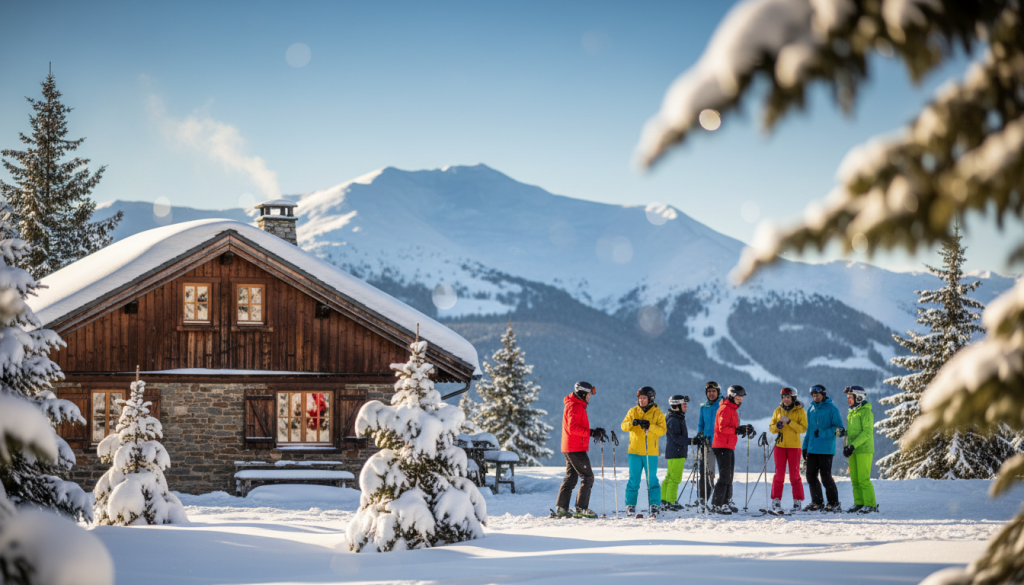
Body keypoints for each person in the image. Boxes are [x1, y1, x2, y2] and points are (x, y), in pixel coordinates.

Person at [555, 381, 607, 518]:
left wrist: (593, 431)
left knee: (571, 478)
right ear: (583, 394)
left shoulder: (575, 405)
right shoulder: (575, 406)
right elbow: (573, 428)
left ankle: (562, 508)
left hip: (570, 446)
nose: (590, 397)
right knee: (588, 477)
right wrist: (591, 433)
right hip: (575, 448)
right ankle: (581, 508)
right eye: (589, 394)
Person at [620, 386, 667, 516]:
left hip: (650, 452)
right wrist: (632, 423)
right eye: (640, 398)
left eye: (644, 398)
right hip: (634, 451)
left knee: (652, 480)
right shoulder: (633, 411)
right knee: (633, 479)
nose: (641, 400)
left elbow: (663, 430)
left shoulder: (657, 413)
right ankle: (630, 505)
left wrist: (650, 426)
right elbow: (623, 426)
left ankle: (654, 504)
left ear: (650, 399)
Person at [710, 385, 755, 514]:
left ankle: (725, 502)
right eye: (738, 397)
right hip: (721, 445)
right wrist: (737, 430)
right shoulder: (725, 409)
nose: (740, 399)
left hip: (728, 445)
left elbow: (731, 428)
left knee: (728, 477)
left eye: (741, 397)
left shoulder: (733, 409)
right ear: (731, 396)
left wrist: (743, 428)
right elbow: (722, 428)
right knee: (725, 476)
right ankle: (716, 505)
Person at [801, 384, 845, 512]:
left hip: (826, 449)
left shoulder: (832, 409)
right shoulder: (811, 409)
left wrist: (822, 433)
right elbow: (809, 431)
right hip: (812, 449)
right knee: (810, 476)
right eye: (813, 395)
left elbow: (839, 429)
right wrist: (805, 447)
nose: (815, 397)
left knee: (825, 477)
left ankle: (834, 503)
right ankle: (817, 503)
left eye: (818, 395)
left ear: (823, 395)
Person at [768, 387, 807, 512]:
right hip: (780, 446)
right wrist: (777, 426)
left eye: (788, 397)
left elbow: (803, 428)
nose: (785, 399)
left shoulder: (800, 411)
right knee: (779, 474)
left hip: (794, 447)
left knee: (794, 475)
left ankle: (797, 501)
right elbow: (771, 427)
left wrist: (789, 422)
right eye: (784, 397)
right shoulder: (778, 410)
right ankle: (776, 500)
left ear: (793, 398)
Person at [843, 385, 878, 514]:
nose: (848, 400)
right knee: (855, 480)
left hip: (864, 449)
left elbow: (867, 432)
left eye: (850, 397)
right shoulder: (851, 413)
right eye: (848, 397)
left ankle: (871, 505)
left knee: (863, 479)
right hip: (853, 450)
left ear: (859, 398)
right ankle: (859, 503)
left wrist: (852, 445)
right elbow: (849, 433)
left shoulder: (866, 412)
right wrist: (845, 444)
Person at [660, 394, 690, 510]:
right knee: (675, 478)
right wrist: (692, 441)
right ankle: (671, 502)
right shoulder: (674, 419)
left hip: (673, 452)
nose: (685, 406)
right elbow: (676, 437)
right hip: (677, 452)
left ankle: (664, 500)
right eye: (683, 404)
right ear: (676, 406)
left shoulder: (676, 417)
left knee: (669, 477)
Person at [696, 381, 722, 502]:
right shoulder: (704, 407)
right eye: (709, 391)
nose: (711, 393)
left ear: (718, 392)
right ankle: (703, 498)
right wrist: (700, 435)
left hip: (721, 443)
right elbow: (701, 424)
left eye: (713, 391)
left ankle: (724, 499)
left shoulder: (722, 405)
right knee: (706, 472)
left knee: (724, 473)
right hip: (707, 443)